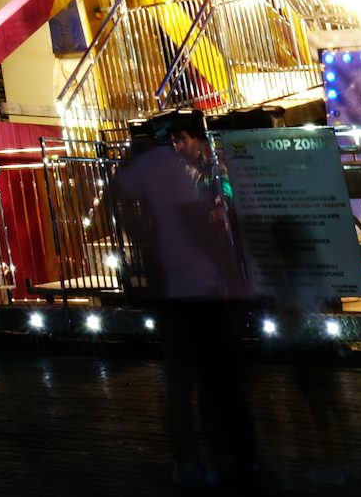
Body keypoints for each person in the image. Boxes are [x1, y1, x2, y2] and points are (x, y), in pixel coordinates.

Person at [109, 109, 262, 492]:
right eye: (172, 139)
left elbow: (116, 194)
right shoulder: (165, 166)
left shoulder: (138, 167)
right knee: (218, 379)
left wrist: (142, 234)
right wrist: (229, 273)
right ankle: (231, 460)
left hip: (170, 292)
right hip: (197, 289)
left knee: (180, 382)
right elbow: (195, 222)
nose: (176, 145)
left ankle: (189, 462)